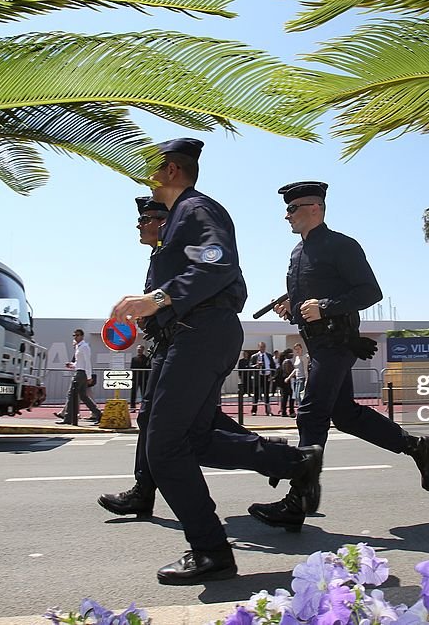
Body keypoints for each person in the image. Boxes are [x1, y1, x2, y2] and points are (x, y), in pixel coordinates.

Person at [106, 139, 323, 584]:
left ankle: (211, 552)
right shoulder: (181, 217)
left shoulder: (199, 210)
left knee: (163, 446)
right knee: (196, 439)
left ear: (168, 170)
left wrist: (157, 299)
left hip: (201, 333)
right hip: (189, 335)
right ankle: (295, 463)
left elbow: (218, 264)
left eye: (147, 164)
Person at [249, 181, 429, 532]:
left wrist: (323, 307)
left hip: (338, 343)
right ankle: (417, 446)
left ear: (314, 209)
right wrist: (292, 308)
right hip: (318, 343)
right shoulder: (298, 252)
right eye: (287, 209)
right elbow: (306, 304)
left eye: (293, 209)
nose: (287, 215)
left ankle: (300, 498)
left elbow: (370, 291)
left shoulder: (342, 245)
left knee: (311, 411)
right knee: (346, 415)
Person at [98, 194, 286, 522]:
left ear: (163, 222)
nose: (139, 226)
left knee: (185, 431)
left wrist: (157, 301)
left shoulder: (187, 249)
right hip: (170, 342)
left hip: (197, 338)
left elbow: (210, 277)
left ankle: (280, 458)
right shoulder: (161, 257)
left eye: (145, 220)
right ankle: (144, 491)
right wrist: (149, 317)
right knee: (157, 419)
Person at [56, 329, 102, 425]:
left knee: (71, 394)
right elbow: (80, 363)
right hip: (80, 371)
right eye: (74, 335)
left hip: (81, 373)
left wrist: (89, 377)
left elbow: (87, 362)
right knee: (83, 396)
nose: (75, 337)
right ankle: (99, 414)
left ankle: (68, 418)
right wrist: (72, 365)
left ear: (82, 336)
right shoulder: (78, 347)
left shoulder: (84, 347)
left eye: (77, 335)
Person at [251, 341, 274, 415]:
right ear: (258, 347)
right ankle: (254, 410)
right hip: (258, 377)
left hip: (266, 377)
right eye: (261, 347)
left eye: (264, 347)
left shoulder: (269, 356)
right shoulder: (254, 356)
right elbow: (250, 366)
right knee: (256, 394)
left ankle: (268, 411)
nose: (263, 348)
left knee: (266, 393)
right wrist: (256, 365)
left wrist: (272, 376)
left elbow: (273, 366)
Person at [286, 341, 307, 418]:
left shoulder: (304, 357)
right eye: (296, 349)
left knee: (300, 396)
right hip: (297, 379)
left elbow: (305, 369)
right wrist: (289, 377)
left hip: (302, 378)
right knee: (297, 397)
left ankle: (301, 413)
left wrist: (306, 380)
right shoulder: (297, 358)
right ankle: (300, 412)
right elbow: (295, 370)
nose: (297, 351)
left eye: (298, 349)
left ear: (301, 349)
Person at [129, 344, 150, 411]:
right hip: (135, 379)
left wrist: (147, 378)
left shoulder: (146, 359)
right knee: (133, 393)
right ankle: (132, 407)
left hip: (143, 379)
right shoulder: (134, 359)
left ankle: (144, 407)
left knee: (144, 393)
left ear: (143, 350)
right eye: (138, 349)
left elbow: (148, 368)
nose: (139, 350)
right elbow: (132, 368)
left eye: (140, 349)